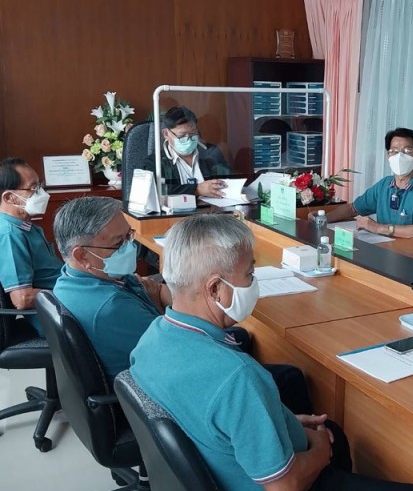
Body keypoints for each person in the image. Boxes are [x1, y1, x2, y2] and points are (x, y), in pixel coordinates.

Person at [130, 214, 413, 491]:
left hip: (214, 479)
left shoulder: (150, 340)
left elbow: (209, 415)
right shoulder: (236, 376)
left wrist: (282, 421)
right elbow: (284, 489)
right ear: (215, 289)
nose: (253, 282)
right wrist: (320, 451)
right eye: (249, 273)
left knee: (334, 432)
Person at [53, 197, 312, 413]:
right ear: (82, 255)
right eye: (118, 243)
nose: (129, 247)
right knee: (287, 376)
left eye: (129, 236)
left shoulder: (76, 279)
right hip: (158, 392)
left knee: (241, 336)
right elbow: (173, 346)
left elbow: (156, 292)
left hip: (151, 367)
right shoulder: (110, 307)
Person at [308, 128, 413, 241]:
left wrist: (379, 228)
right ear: (388, 156)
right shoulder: (385, 185)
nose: (399, 156)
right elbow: (352, 209)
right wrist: (323, 218)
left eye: (407, 151)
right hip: (386, 249)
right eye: (394, 151)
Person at [0, 157, 62, 334]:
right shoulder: (9, 235)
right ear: (9, 197)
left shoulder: (24, 227)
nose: (41, 193)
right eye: (34, 188)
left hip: (63, 302)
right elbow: (22, 298)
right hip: (56, 315)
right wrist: (71, 290)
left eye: (40, 186)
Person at [141, 105, 230, 199]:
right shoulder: (154, 163)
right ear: (166, 134)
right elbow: (153, 192)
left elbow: (228, 180)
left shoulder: (211, 153)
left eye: (192, 133)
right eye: (181, 136)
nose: (188, 139)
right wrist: (196, 189)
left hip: (213, 206)